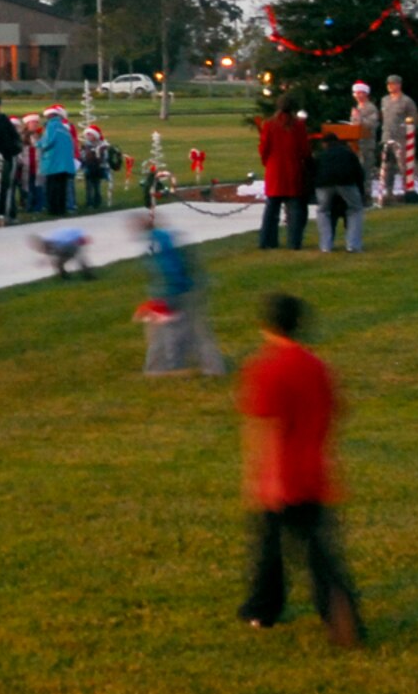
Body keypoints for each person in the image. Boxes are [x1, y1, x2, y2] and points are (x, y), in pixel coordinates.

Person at [236, 293, 362, 646]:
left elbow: (266, 426)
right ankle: (336, 612)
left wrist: (262, 478)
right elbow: (334, 412)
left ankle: (264, 608)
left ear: (266, 326)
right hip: (314, 470)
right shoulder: (317, 366)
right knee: (318, 551)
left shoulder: (266, 369)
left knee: (271, 548)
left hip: (282, 475)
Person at [136, 215, 226, 376]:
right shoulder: (169, 236)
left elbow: (168, 269)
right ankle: (211, 366)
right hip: (189, 288)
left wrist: (163, 296)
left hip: (172, 291)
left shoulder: (154, 243)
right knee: (194, 330)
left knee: (158, 333)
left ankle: (157, 368)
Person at [257, 95, 311, 251]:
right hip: (292, 170)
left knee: (271, 209)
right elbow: (304, 149)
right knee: (294, 209)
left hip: (274, 170)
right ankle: (294, 242)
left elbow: (264, 148)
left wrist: (268, 162)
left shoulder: (269, 124)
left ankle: (267, 241)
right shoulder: (298, 126)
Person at [313, 134, 367, 254]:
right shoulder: (348, 153)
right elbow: (359, 173)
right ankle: (353, 245)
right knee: (355, 210)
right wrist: (361, 192)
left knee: (323, 211)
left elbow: (313, 171)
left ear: (324, 144)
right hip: (346, 183)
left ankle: (325, 246)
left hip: (324, 184)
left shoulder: (321, 155)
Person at [379, 74, 418, 201]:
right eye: (388, 84)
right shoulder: (384, 100)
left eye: (393, 83)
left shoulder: (406, 101)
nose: (390, 86)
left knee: (404, 166)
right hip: (387, 137)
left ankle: (408, 191)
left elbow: (414, 119)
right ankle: (388, 192)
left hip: (401, 138)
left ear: (399, 85)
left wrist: (408, 132)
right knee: (388, 166)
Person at [37, 104, 79, 217]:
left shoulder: (51, 127)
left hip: (53, 163)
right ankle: (61, 209)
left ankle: (53, 210)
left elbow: (47, 142)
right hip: (65, 164)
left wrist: (37, 144)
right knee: (62, 188)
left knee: (52, 188)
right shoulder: (64, 129)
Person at [348, 83, 380, 186]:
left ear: (365, 94)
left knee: (366, 170)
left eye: (359, 93)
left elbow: (372, 124)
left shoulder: (370, 108)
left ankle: (366, 193)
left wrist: (359, 118)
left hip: (367, 144)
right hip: (356, 144)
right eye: (355, 93)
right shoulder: (357, 107)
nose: (357, 96)